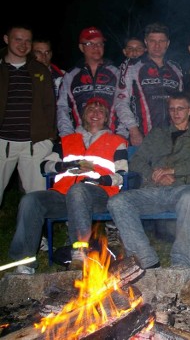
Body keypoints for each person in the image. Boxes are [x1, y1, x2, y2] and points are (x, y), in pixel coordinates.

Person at [10, 98, 128, 274]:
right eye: (91, 110)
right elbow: (45, 165)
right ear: (83, 116)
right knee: (31, 200)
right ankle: (24, 261)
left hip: (99, 195)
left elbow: (122, 174)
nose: (95, 114)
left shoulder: (117, 141)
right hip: (63, 196)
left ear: (106, 118)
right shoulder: (66, 140)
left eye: (100, 111)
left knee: (78, 190)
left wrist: (100, 180)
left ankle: (80, 252)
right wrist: (64, 166)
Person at [107, 92, 190, 269]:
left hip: (182, 189)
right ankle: (147, 261)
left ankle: (180, 265)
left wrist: (173, 170)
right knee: (117, 202)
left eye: (180, 108)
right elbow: (136, 160)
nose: (176, 113)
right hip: (152, 190)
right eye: (172, 109)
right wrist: (154, 174)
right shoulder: (158, 133)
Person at [0, 24, 56, 203]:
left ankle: (37, 232)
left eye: (27, 41)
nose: (23, 45)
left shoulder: (39, 70)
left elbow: (50, 106)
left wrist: (49, 138)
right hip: (2, 142)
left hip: (33, 144)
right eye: (18, 39)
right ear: (7, 39)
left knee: (36, 197)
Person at [115, 22, 184, 146]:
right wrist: (134, 131)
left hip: (172, 138)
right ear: (146, 42)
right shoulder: (131, 66)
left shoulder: (176, 69)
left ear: (167, 43)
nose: (157, 45)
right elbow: (121, 103)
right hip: (143, 137)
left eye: (161, 41)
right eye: (152, 41)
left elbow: (183, 104)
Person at [57, 26, 121, 137]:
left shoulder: (116, 73)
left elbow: (124, 104)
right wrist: (67, 135)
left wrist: (122, 134)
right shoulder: (71, 75)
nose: (96, 47)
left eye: (100, 43)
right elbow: (62, 107)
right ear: (81, 48)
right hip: (80, 137)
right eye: (90, 44)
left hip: (112, 136)